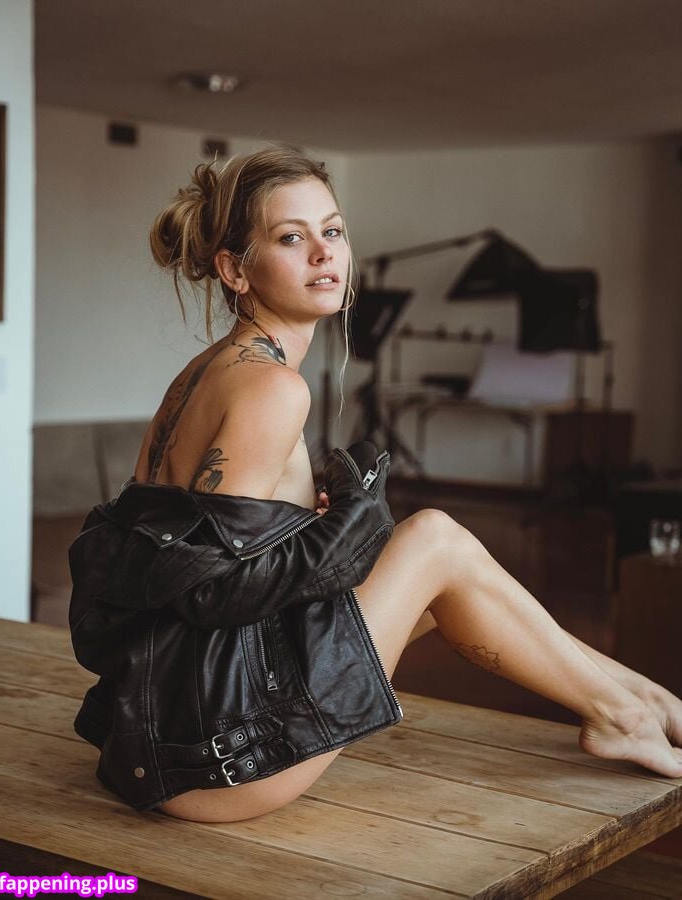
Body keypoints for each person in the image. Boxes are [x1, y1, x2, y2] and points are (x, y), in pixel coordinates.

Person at [79, 144, 682, 825]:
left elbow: (190, 555)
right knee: (434, 542)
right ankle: (628, 712)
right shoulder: (272, 387)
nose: (324, 253)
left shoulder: (207, 371)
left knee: (450, 572)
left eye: (332, 231)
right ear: (235, 270)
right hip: (212, 760)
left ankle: (644, 702)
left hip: (160, 730)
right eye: (291, 237)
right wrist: (346, 528)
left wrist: (318, 530)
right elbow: (208, 589)